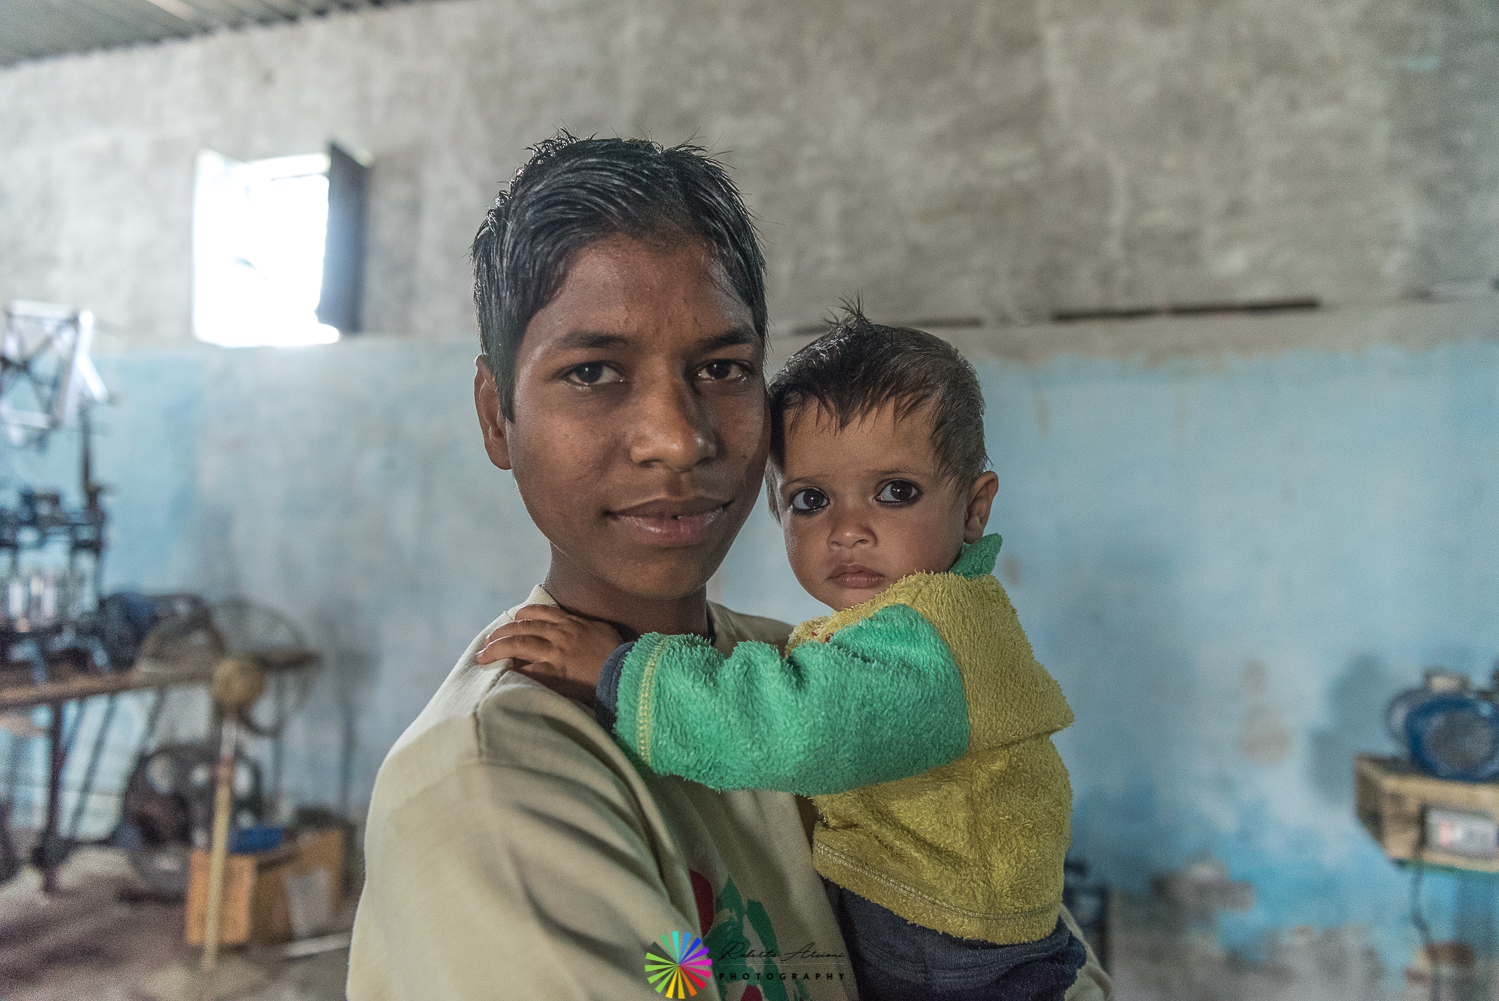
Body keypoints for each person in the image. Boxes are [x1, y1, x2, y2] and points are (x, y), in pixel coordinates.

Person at [347, 132, 1111, 1001]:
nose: (677, 437)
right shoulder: (493, 781)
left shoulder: (820, 680)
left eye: (721, 368)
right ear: (497, 416)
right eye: (593, 370)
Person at [482, 310, 1085, 1000]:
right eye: (810, 499)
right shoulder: (909, 621)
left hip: (949, 958)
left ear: (974, 509)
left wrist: (623, 672)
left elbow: (796, 727)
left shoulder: (930, 641)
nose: (848, 530)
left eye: (896, 492)